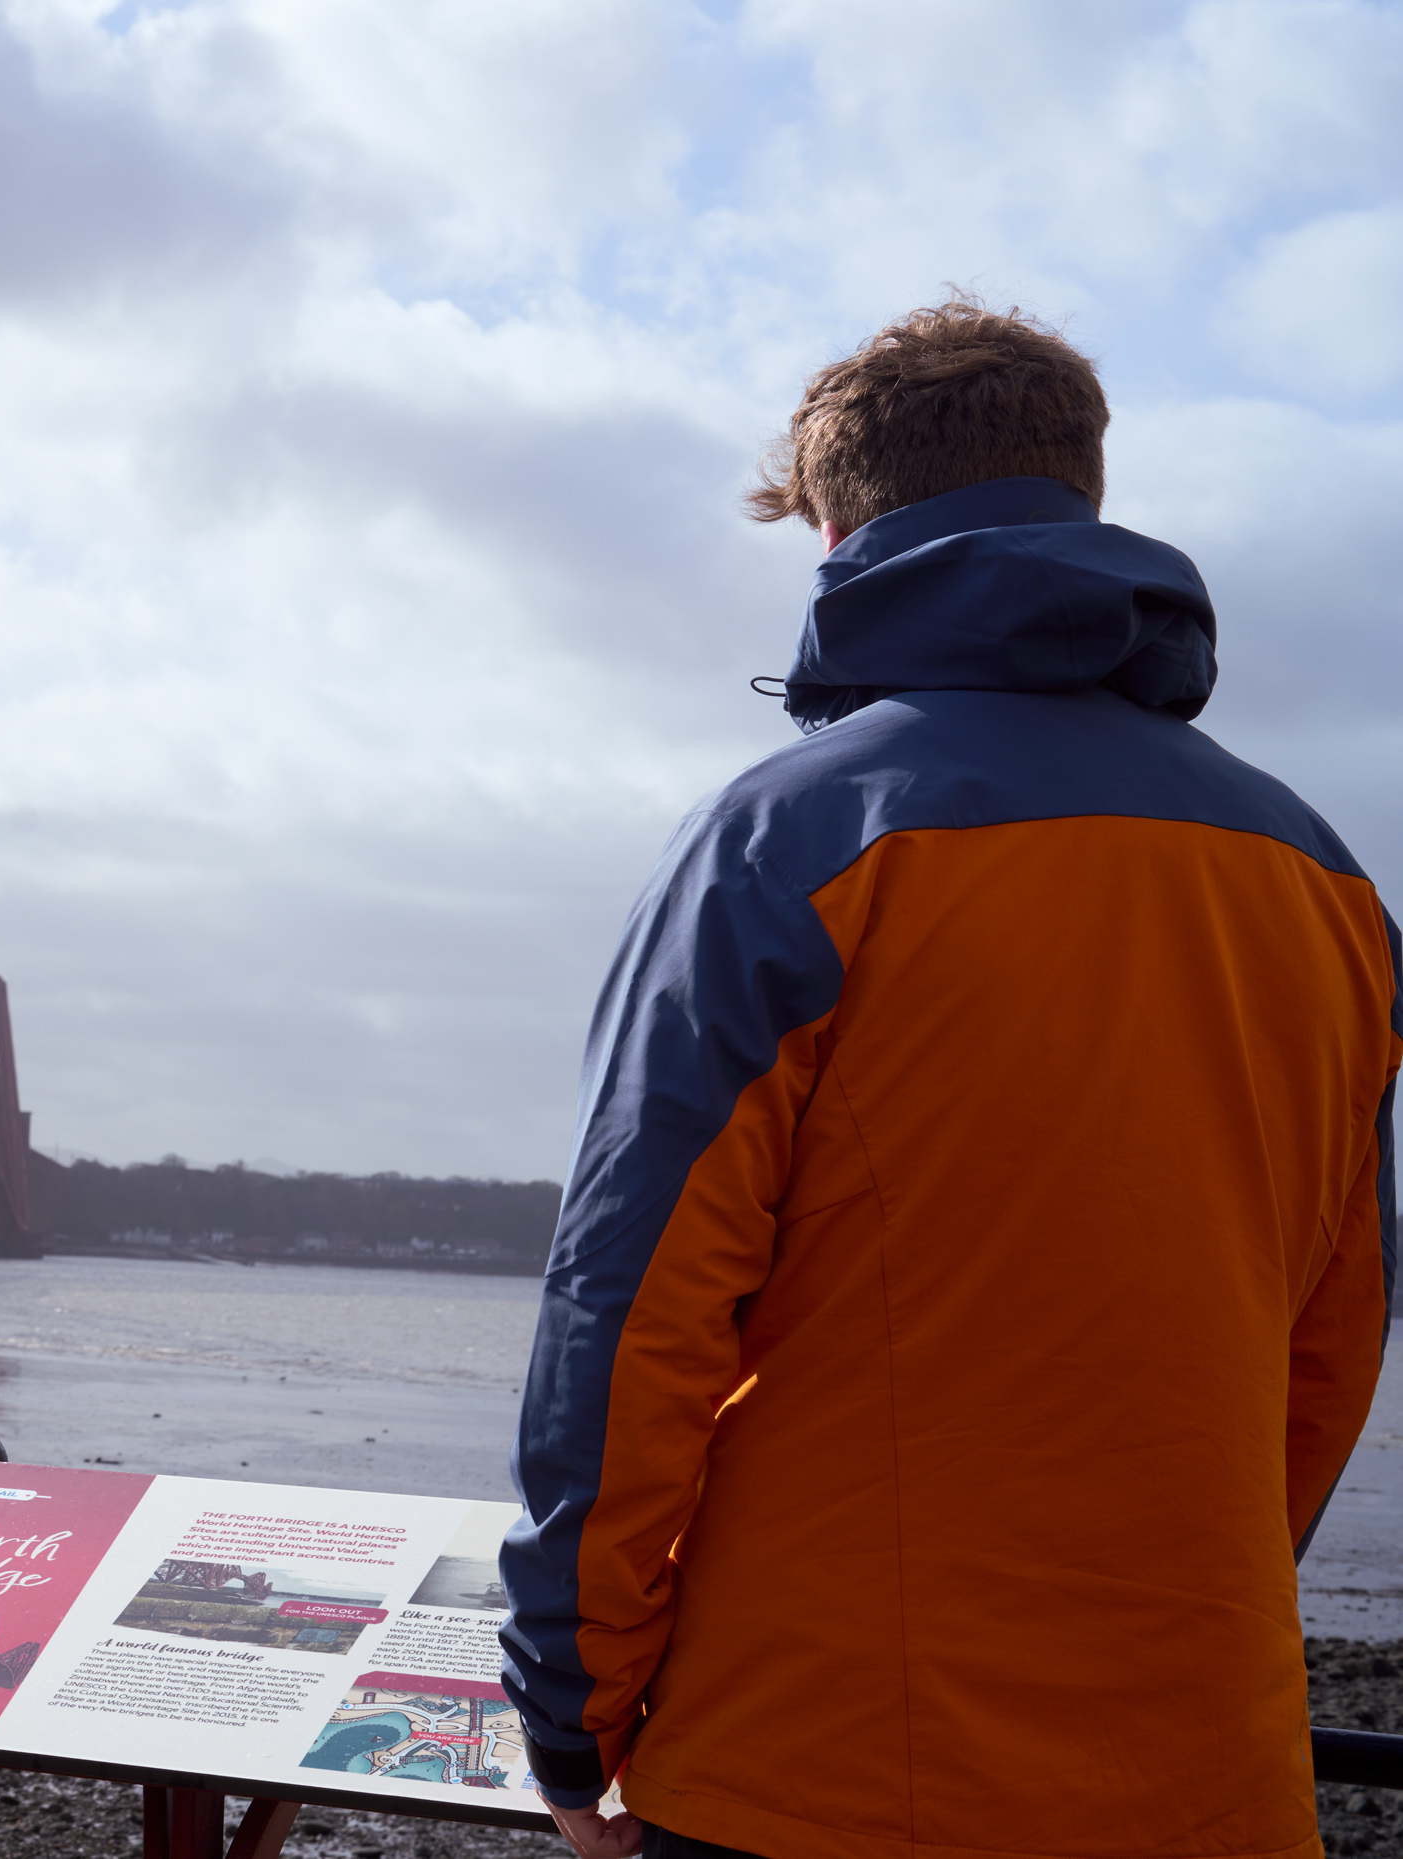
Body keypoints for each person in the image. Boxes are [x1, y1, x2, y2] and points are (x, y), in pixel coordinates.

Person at [497, 300, 1397, 1859]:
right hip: (1203, 1769)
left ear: (834, 527)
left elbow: (632, 1312)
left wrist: (574, 1705)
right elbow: (1332, 1327)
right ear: (1084, 496)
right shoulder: (1320, 873)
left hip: (828, 1765)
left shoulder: (790, 838)